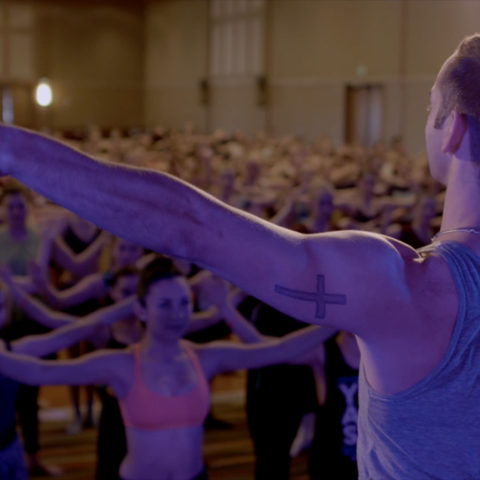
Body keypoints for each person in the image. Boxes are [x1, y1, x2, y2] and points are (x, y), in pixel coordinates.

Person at [2, 33, 480, 478]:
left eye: (430, 108)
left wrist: (14, 151)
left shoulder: (405, 287)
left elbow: (192, 226)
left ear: (453, 130)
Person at [0, 257, 334, 480]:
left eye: (184, 303)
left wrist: (340, 321)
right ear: (141, 310)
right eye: (165, 304)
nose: (177, 314)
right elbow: (39, 373)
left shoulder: (206, 358)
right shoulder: (120, 365)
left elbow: (280, 349)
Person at [0, 275, 133, 480]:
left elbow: (64, 336)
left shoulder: (14, 349)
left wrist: (128, 306)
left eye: (0, 307)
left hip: (10, 447)